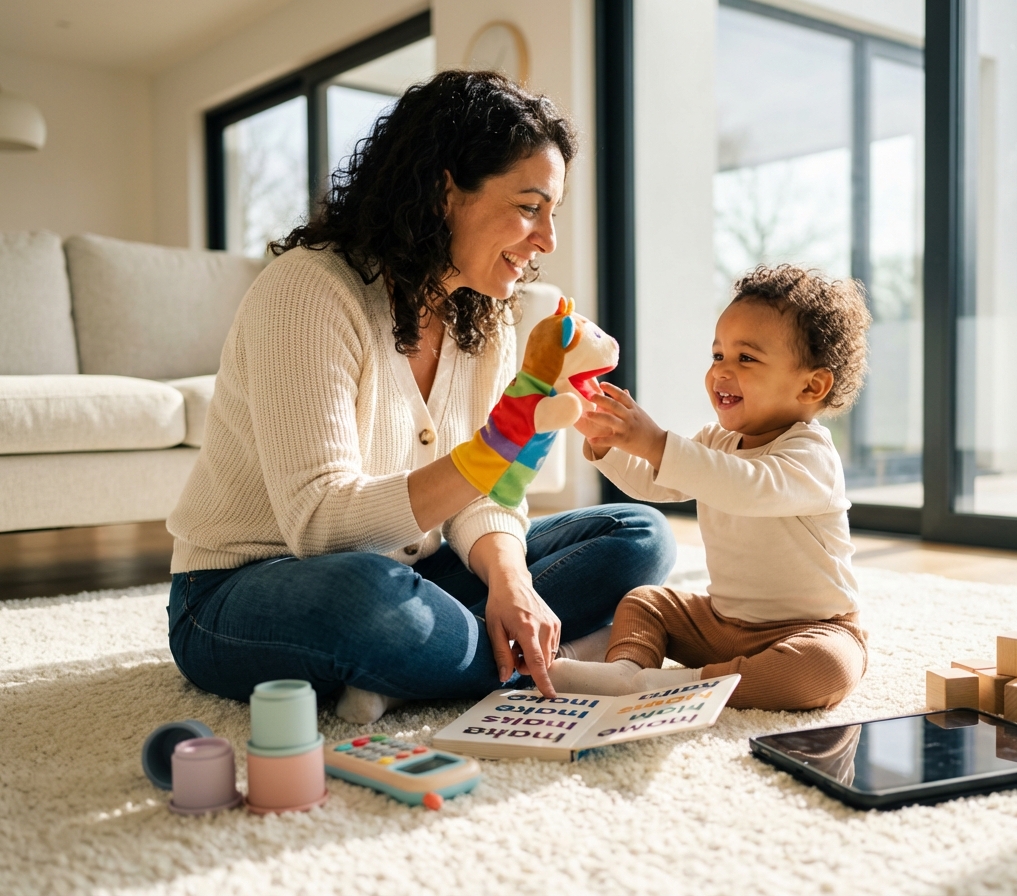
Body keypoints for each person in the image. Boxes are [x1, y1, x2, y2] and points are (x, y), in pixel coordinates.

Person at [165, 70, 673, 724]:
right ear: (444, 190)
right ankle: (546, 660)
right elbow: (319, 524)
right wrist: (496, 448)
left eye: (553, 212)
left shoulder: (484, 315)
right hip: (250, 588)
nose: (547, 238)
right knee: (363, 597)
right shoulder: (308, 293)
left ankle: (421, 665)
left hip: (420, 572)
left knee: (637, 534)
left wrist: (510, 580)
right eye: (528, 206)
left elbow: (483, 500)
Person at [549, 264, 870, 711]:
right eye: (718, 356)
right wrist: (608, 443)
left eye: (747, 358)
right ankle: (625, 669)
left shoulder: (811, 456)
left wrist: (658, 442)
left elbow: (747, 486)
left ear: (811, 385)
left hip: (810, 628)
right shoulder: (716, 442)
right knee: (645, 602)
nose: (721, 371)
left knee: (826, 668)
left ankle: (671, 686)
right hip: (721, 623)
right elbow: (655, 483)